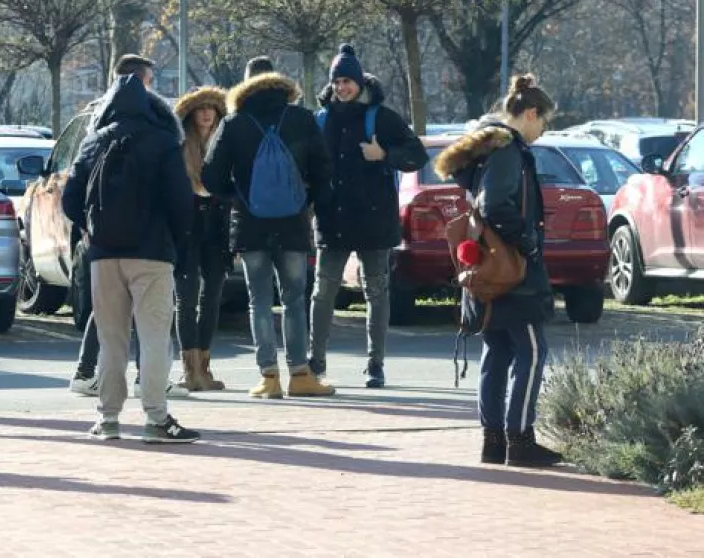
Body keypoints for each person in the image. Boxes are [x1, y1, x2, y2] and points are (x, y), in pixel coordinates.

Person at [62, 62, 199, 443]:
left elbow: (70, 199)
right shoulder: (163, 140)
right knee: (155, 337)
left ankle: (107, 419)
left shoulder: (94, 141)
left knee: (111, 338)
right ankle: (156, 418)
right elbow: (180, 201)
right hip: (152, 253)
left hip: (103, 254)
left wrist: (92, 229)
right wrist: (177, 242)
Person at [432, 74, 563, 467]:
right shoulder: (507, 150)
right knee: (533, 351)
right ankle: (519, 439)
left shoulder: (486, 148)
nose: (543, 130)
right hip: (512, 271)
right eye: (544, 122)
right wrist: (527, 241)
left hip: (487, 270)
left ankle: (493, 442)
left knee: (497, 351)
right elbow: (494, 205)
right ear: (530, 113)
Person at [202, 57, 334, 399]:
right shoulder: (302, 119)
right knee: (294, 299)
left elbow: (211, 176)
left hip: (250, 225)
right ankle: (301, 375)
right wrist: (306, 203)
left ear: (244, 85)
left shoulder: (234, 123)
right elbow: (323, 171)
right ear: (279, 82)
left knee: (258, 300)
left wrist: (238, 197)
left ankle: (269, 377)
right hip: (293, 223)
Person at [308, 44, 428, 388]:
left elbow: (417, 154)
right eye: (337, 81)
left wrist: (384, 154)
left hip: (374, 220)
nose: (342, 87)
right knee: (323, 292)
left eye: (348, 80)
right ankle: (316, 362)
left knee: (376, 291)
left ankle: (375, 364)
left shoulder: (383, 117)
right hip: (332, 218)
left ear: (360, 82)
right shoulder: (321, 119)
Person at [171, 86, 230, 391]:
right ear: (191, 113)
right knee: (186, 296)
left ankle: (204, 367)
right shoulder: (180, 143)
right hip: (187, 224)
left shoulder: (226, 141)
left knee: (213, 295)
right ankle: (188, 370)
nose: (207, 113)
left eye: (212, 107)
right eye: (200, 107)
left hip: (217, 226)